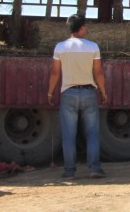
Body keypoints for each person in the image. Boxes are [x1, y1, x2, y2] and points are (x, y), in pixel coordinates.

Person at [47, 14, 108, 179]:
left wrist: (50, 92)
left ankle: (69, 171)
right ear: (81, 28)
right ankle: (94, 168)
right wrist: (102, 91)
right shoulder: (92, 46)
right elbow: (98, 72)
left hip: (68, 93)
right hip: (89, 93)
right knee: (92, 133)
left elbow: (55, 73)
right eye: (85, 26)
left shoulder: (60, 47)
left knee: (68, 135)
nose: (86, 29)